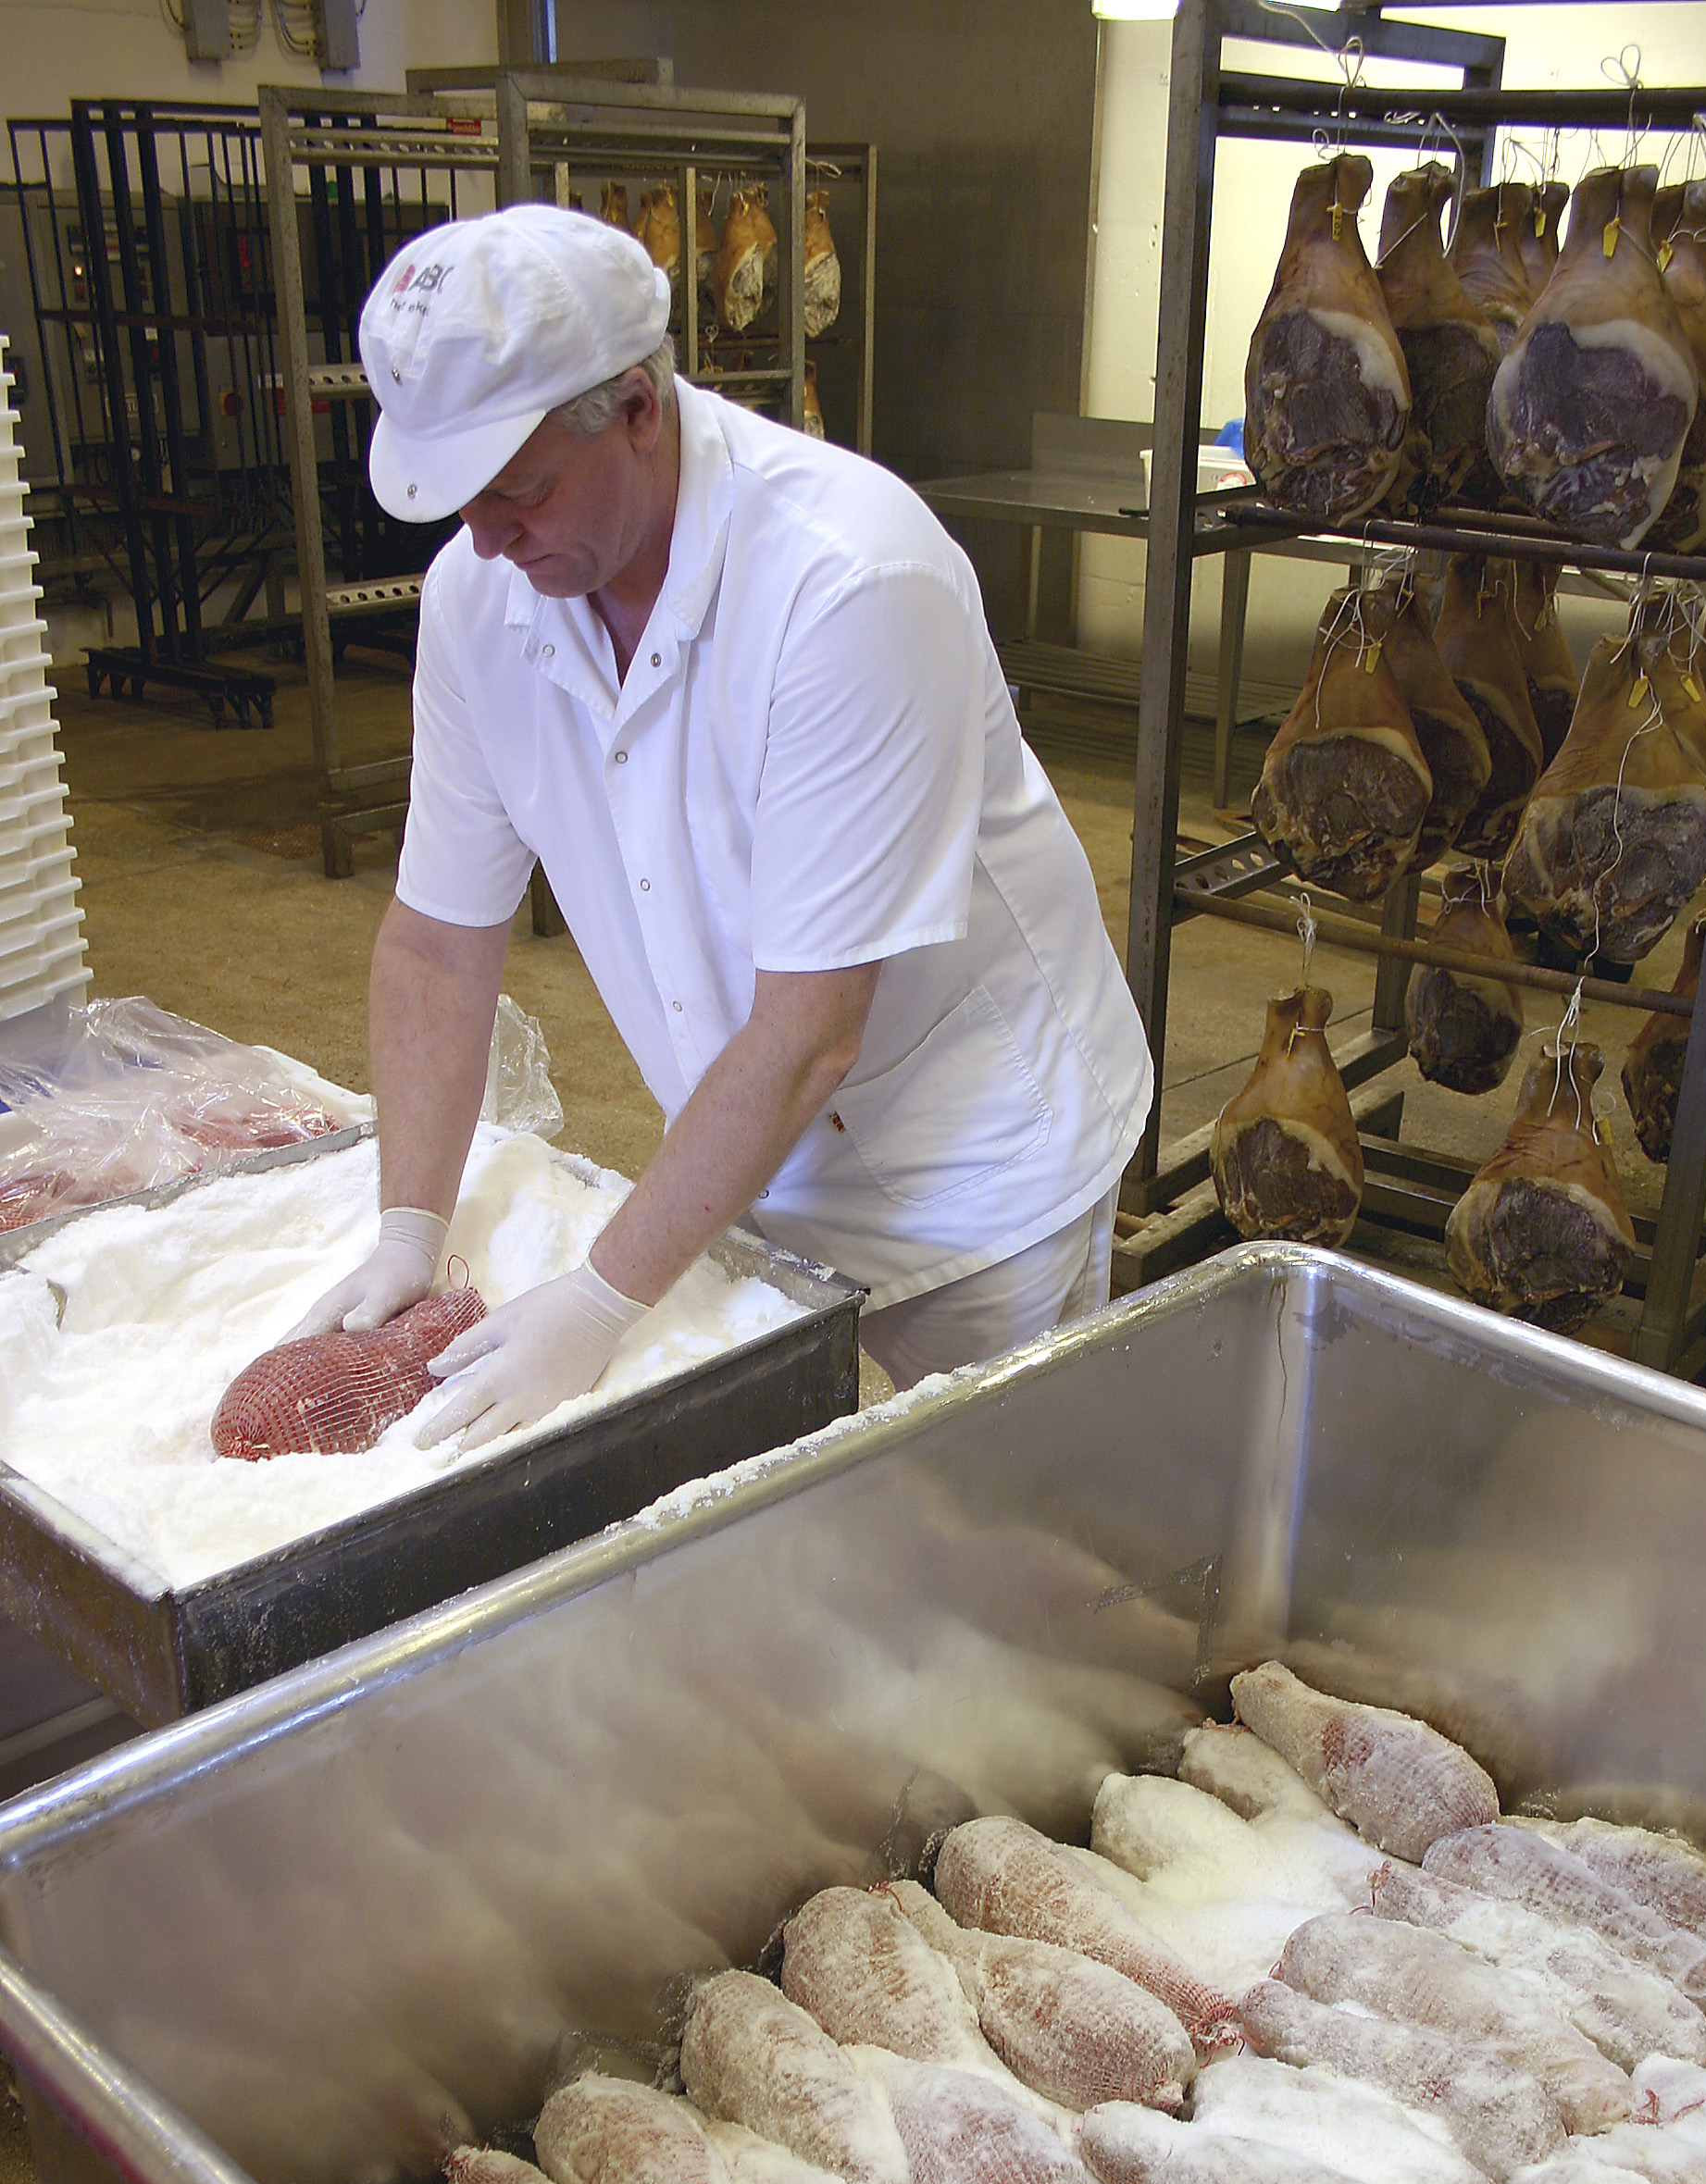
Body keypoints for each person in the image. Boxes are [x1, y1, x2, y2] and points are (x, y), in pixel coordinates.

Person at [294, 205, 1152, 1447]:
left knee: (998, 1519)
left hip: (970, 1183)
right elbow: (437, 941)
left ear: (639, 410)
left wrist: (600, 1301)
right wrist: (408, 1230)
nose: (484, 538)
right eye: (458, 501)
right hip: (746, 1161)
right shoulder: (480, 596)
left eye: (518, 491)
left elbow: (810, 1033)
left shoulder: (846, 580)